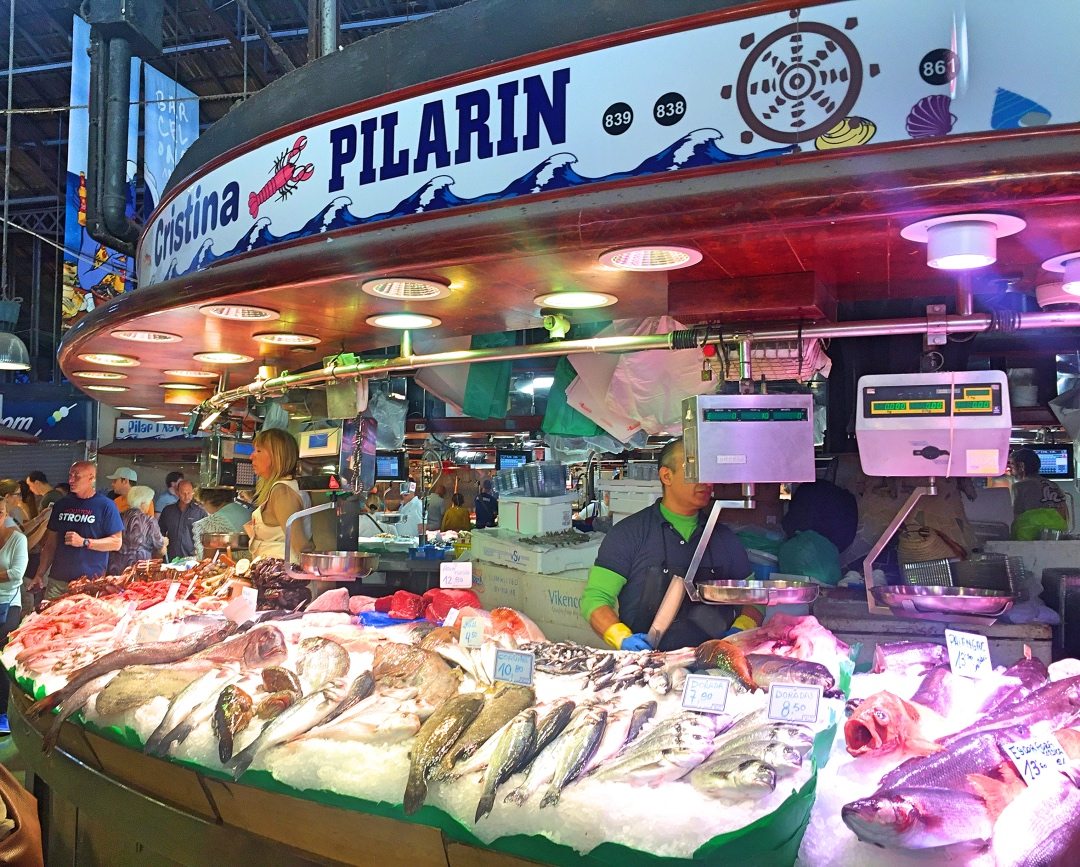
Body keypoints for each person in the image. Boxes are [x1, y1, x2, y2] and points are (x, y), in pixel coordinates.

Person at [579, 437, 757, 652]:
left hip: (713, 665)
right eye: (695, 471)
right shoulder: (628, 534)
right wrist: (621, 637)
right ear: (666, 475)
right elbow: (596, 599)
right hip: (647, 664)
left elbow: (754, 599)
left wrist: (739, 632)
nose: (707, 482)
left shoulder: (725, 539)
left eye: (709, 472)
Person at [29, 461, 123, 600]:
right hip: (58, 581)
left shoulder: (106, 506)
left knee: (83, 620)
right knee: (51, 619)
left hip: (90, 583)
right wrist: (39, 574)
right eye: (70, 475)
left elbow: (116, 542)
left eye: (77, 476)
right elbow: (50, 545)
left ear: (91, 478)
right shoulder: (61, 504)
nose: (71, 480)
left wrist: (85, 542)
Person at [244, 428, 311, 562]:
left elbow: (302, 546)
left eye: (258, 451)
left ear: (276, 456)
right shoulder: (280, 488)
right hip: (273, 575)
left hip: (284, 577)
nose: (251, 456)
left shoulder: (282, 492)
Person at [0, 496, 28, 735]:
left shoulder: (17, 539)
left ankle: (3, 713)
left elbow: (17, 574)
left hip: (8, 604)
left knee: (2, 658)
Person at [1008, 448, 1070, 539]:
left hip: (1031, 538)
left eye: (1012, 466)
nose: (1011, 471)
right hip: (1058, 536)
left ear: (1021, 466)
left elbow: (1015, 516)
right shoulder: (1054, 485)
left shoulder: (1020, 487)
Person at [108, 485, 167, 574]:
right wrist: (165, 541)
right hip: (139, 567)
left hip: (115, 566)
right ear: (143, 504)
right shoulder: (149, 521)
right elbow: (159, 546)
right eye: (149, 502)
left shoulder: (118, 517)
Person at [191, 488, 252, 559]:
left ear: (208, 500)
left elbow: (203, 559)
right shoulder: (250, 513)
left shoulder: (208, 523)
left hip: (228, 567)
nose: (203, 508)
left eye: (202, 504)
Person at [158, 480, 207, 560]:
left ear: (192, 492)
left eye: (189, 493)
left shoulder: (200, 512)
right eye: (183, 493)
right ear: (177, 493)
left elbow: (205, 536)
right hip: (171, 557)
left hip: (192, 558)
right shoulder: (168, 511)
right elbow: (160, 532)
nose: (186, 496)